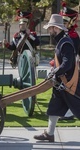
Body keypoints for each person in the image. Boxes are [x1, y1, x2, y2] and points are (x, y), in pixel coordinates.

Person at [33, 14, 80, 142]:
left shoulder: (65, 43)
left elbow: (67, 64)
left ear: (55, 28)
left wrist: (55, 72)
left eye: (50, 28)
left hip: (69, 84)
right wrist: (55, 71)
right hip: (61, 84)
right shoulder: (62, 41)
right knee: (54, 108)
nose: (49, 31)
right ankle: (49, 133)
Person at [58, 3, 80, 120]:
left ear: (71, 22)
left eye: (66, 22)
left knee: (71, 90)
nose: (63, 24)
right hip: (65, 66)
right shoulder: (65, 34)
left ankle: (69, 113)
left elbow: (73, 53)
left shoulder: (73, 36)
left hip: (71, 67)